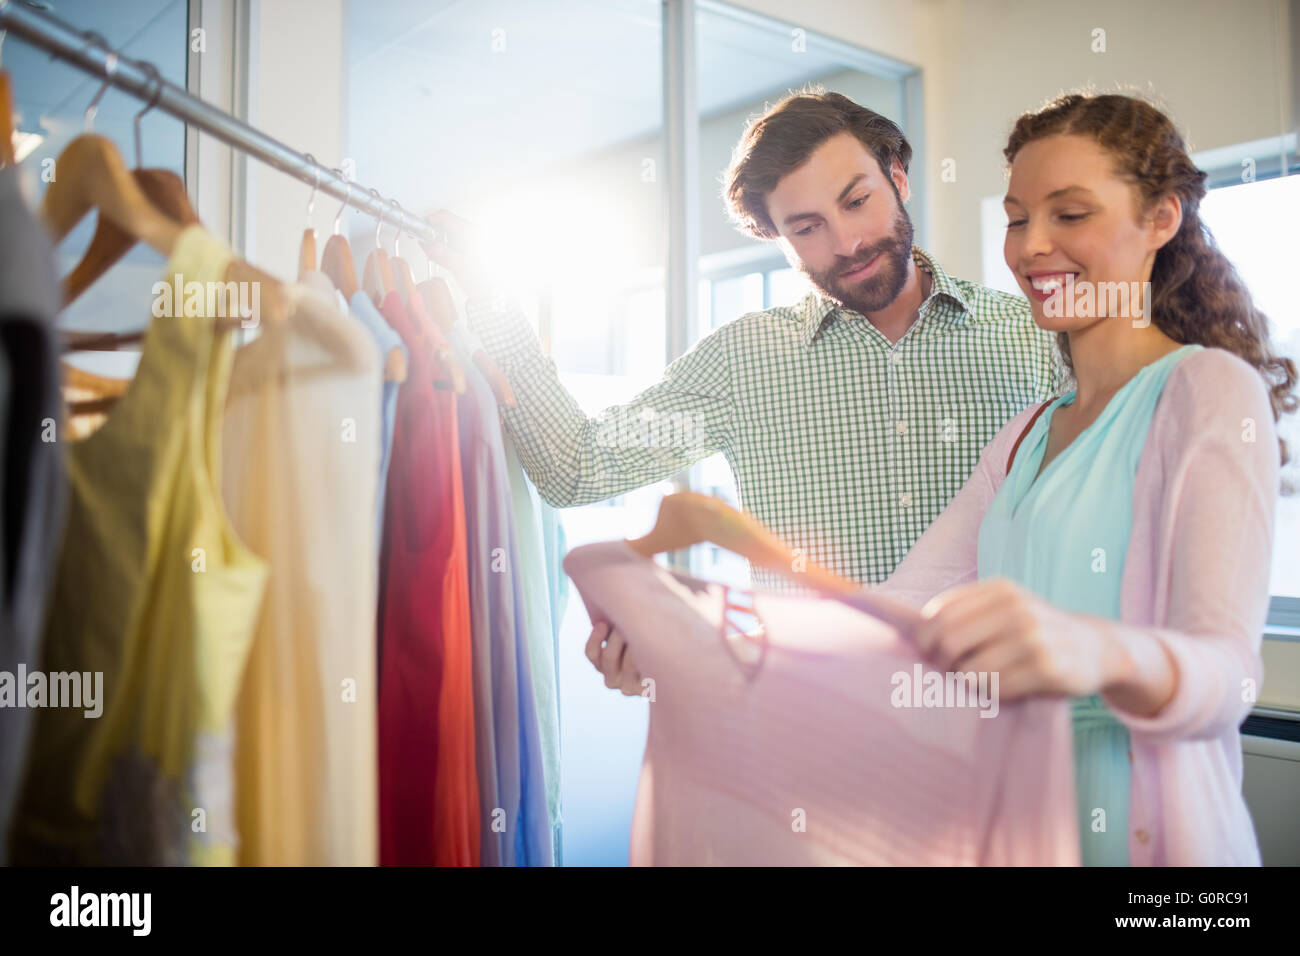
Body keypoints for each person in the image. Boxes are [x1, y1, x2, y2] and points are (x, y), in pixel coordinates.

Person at [603, 92, 1298, 866]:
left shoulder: (1207, 390)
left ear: (1161, 219)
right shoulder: (1024, 436)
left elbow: (1228, 676)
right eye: (1017, 218)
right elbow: (887, 620)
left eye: (1069, 215)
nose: (1034, 247)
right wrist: (696, 646)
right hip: (1019, 833)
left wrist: (1098, 651)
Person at [423, 86, 1066, 687]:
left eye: (856, 200)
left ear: (897, 177)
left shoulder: (1038, 338)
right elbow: (577, 467)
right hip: (809, 742)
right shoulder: (742, 361)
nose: (846, 242)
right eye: (806, 227)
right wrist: (494, 303)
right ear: (777, 240)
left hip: (996, 731)